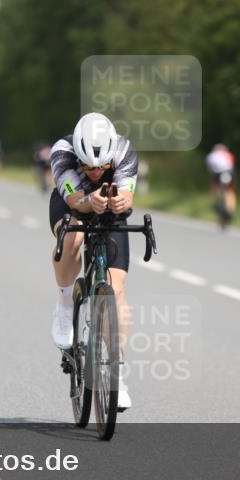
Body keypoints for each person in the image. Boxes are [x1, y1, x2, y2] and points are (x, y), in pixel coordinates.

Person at [49, 113, 138, 410]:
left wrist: (123, 200)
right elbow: (75, 200)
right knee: (70, 239)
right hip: (73, 203)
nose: (96, 171)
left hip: (109, 208)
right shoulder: (62, 152)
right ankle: (64, 305)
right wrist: (89, 202)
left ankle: (117, 373)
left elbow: (127, 194)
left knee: (118, 287)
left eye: (102, 166)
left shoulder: (124, 151)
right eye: (87, 165)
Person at [205, 144, 236, 225]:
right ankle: (230, 210)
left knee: (214, 186)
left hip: (217, 174)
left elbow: (210, 169)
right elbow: (231, 164)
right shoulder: (228, 154)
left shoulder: (210, 156)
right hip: (229, 173)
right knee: (230, 192)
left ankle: (216, 202)